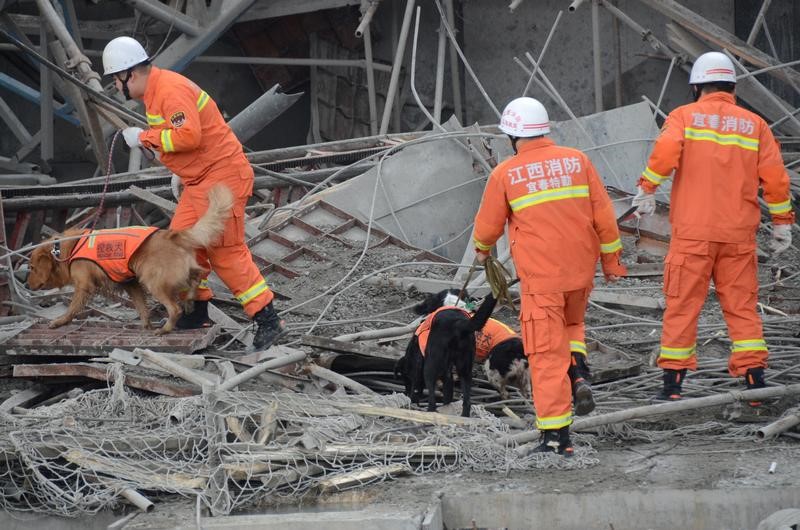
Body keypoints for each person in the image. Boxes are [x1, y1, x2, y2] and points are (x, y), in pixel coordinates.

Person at [101, 36, 285, 350]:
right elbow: (185, 140)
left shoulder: (169, 90)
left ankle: (268, 319)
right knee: (180, 247)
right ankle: (195, 313)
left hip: (224, 176)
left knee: (225, 251)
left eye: (116, 81)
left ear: (128, 74)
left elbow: (188, 135)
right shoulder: (157, 92)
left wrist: (144, 137)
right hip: (201, 179)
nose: (117, 88)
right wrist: (179, 170)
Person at [631, 51, 795, 401]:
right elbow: (777, 182)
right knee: (742, 309)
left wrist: (646, 188)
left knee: (682, 307)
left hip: (693, 235)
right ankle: (755, 386)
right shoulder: (756, 125)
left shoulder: (684, 117)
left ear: (697, 87)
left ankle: (672, 388)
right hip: (738, 236)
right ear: (731, 86)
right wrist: (782, 224)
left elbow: (665, 151)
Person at [473, 97, 626, 455]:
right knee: (571, 328)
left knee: (544, 355)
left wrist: (482, 251)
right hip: (579, 274)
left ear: (512, 135)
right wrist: (612, 262)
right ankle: (580, 374)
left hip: (542, 281)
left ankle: (557, 438)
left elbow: (487, 227)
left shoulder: (506, 173)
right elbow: (604, 215)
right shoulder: (578, 161)